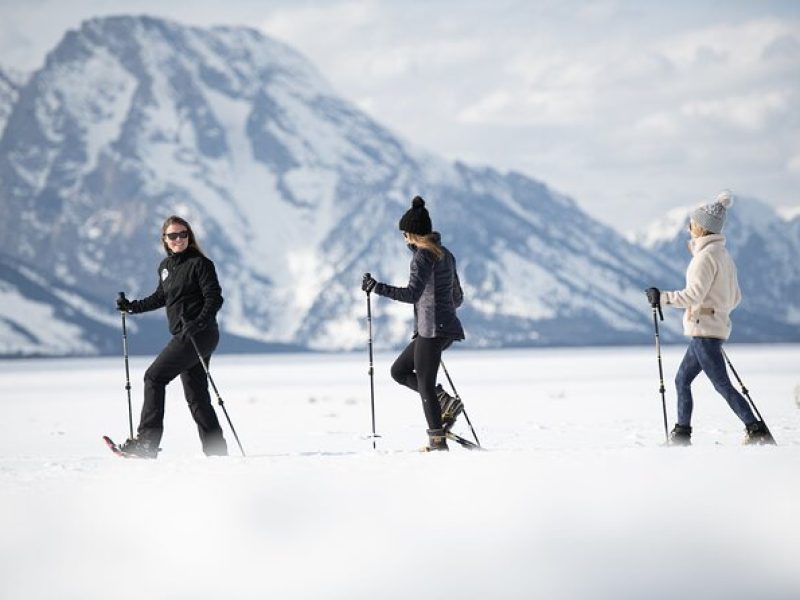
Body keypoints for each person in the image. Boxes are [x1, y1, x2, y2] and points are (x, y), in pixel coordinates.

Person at [646, 191, 773, 446]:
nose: (688, 228)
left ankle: (755, 429)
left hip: (704, 332)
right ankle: (681, 434)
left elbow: (693, 295)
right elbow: (735, 297)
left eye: (692, 224)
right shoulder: (725, 257)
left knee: (722, 386)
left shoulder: (704, 258)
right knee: (682, 380)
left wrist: (662, 298)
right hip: (709, 330)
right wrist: (718, 313)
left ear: (702, 228)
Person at [115, 215, 228, 458]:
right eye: (173, 235)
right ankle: (216, 451)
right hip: (190, 335)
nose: (178, 239)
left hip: (200, 334)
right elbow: (160, 298)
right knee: (196, 395)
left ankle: (147, 443)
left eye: (183, 234)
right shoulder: (166, 268)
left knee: (154, 377)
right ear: (164, 240)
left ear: (190, 237)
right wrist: (131, 307)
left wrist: (197, 323)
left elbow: (214, 298)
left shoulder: (201, 264)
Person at [361, 196, 465, 451]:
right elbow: (457, 298)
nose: (404, 239)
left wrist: (377, 288)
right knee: (399, 371)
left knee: (425, 385)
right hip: (444, 328)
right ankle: (445, 403)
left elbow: (411, 294)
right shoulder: (446, 255)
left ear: (411, 234)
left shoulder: (423, 257)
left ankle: (437, 442)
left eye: (404, 235)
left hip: (430, 329)